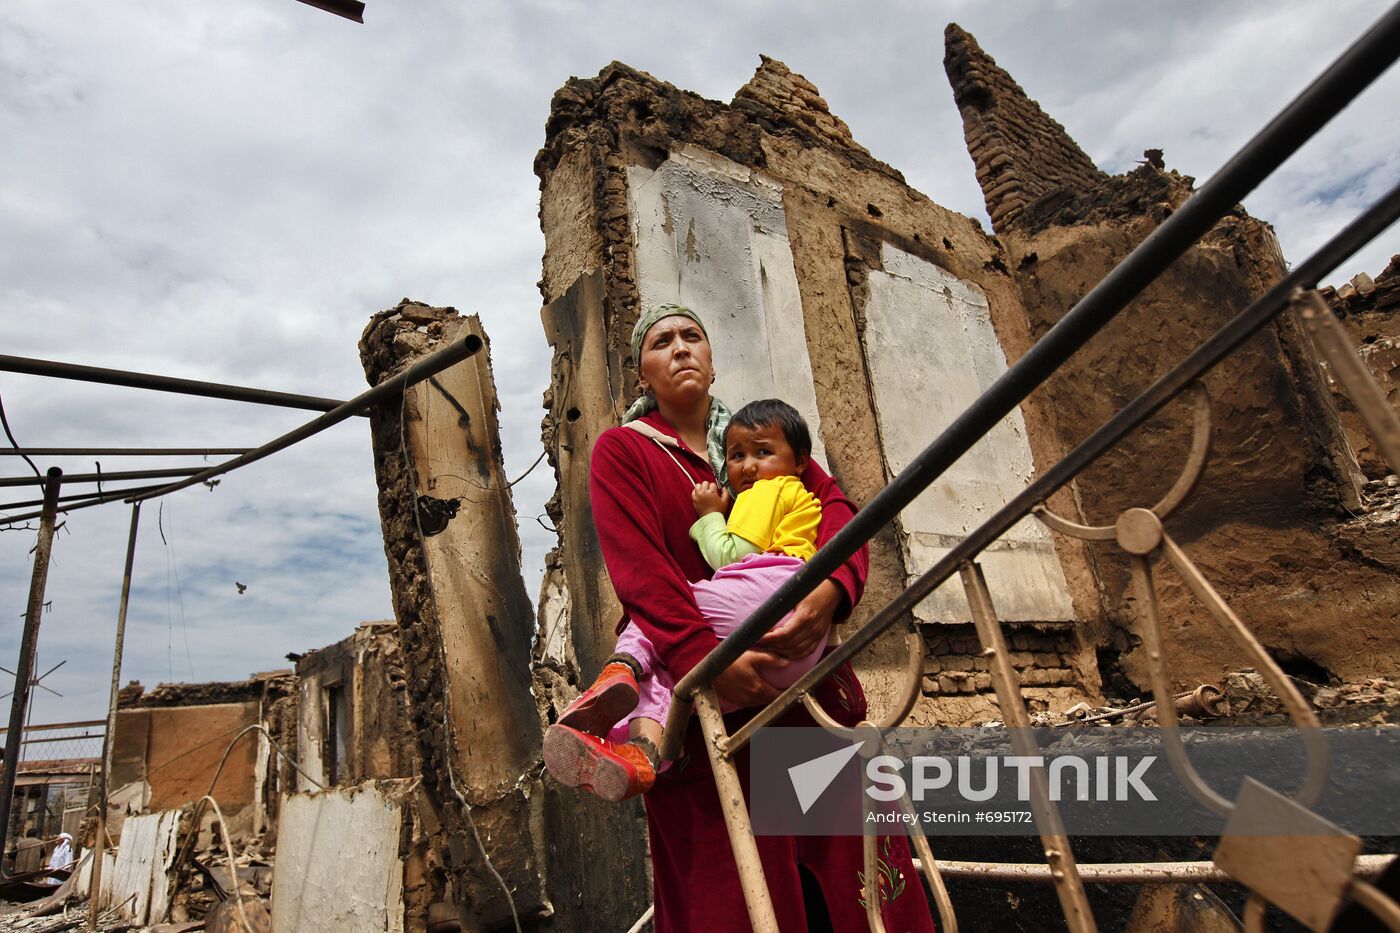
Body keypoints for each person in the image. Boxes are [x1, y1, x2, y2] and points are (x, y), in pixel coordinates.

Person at [554, 303, 935, 932]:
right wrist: (708, 660)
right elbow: (641, 572)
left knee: (859, 890)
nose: (680, 348)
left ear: (711, 358)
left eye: (692, 336)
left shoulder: (763, 437)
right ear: (641, 375)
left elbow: (839, 513)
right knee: (736, 902)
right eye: (662, 341)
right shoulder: (624, 451)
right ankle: (634, 721)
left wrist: (831, 591)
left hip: (807, 705)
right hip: (706, 717)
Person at [544, 398, 831, 800]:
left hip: (770, 590)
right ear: (642, 373)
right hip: (789, 657)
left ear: (799, 460)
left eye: (761, 454)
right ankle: (641, 753)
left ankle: (621, 667)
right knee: (678, 684)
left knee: (662, 613)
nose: (748, 466)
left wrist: (710, 515)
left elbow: (730, 554)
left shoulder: (767, 488)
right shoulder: (635, 447)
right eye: (738, 456)